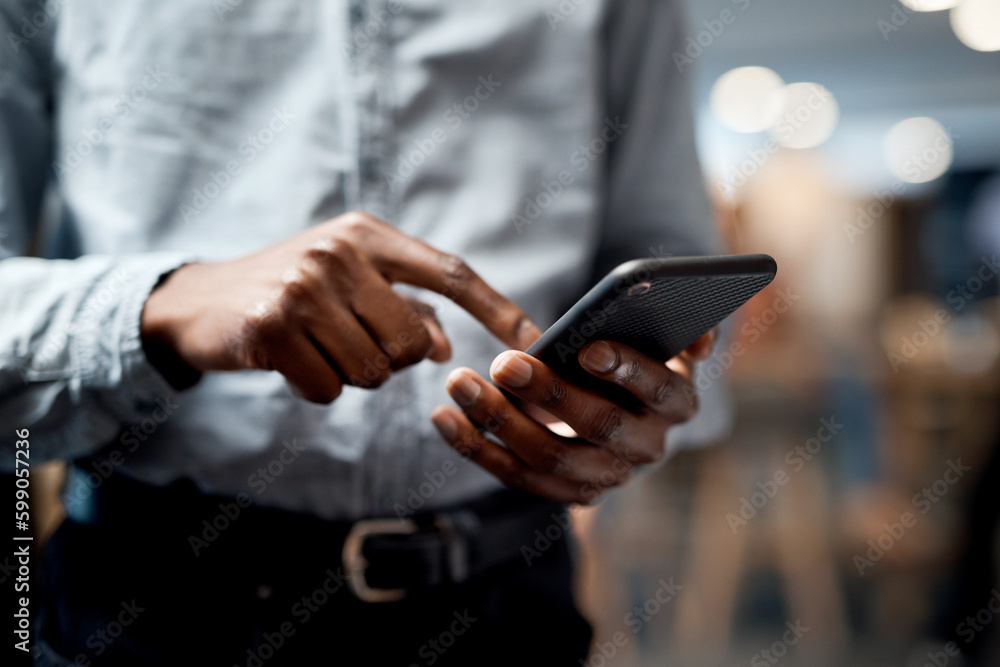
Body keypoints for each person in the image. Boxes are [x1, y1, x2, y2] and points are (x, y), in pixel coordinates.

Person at [0, 0, 722, 664]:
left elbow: (661, 257)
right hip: (151, 611)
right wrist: (163, 304)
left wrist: (625, 398)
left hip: (510, 602)